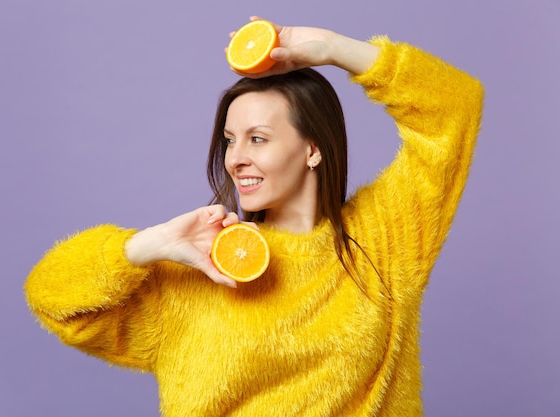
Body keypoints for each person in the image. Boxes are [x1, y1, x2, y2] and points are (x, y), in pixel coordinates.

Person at [25, 17, 484, 417]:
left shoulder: (384, 238)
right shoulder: (204, 267)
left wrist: (329, 47)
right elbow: (54, 299)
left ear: (313, 149)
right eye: (230, 139)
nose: (235, 158)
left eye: (258, 139)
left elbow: (454, 107)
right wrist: (149, 245)